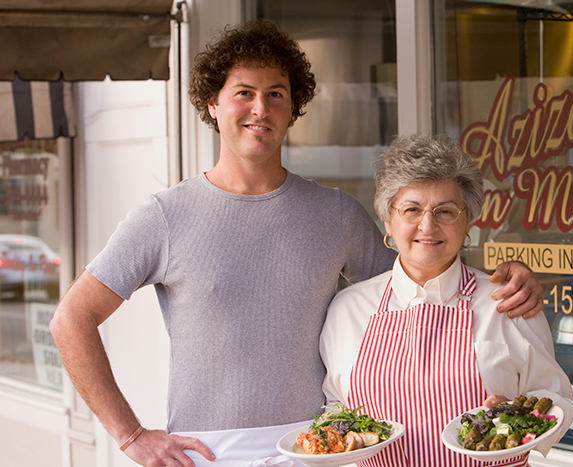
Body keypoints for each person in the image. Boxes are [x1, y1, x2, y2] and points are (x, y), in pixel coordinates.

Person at [49, 20, 545, 467]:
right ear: (212, 104)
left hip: (316, 450)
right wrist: (131, 434)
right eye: (243, 92)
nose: (260, 108)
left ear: (293, 108)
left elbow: (417, 283)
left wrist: (504, 279)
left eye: (276, 94)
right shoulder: (163, 217)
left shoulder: (337, 214)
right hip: (204, 452)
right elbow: (71, 319)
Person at [320, 133, 573, 467]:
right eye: (411, 209)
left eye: (445, 211)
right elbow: (336, 408)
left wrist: (518, 416)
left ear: (467, 221)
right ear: (387, 220)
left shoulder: (507, 303)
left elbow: (555, 398)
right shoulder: (348, 310)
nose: (427, 225)